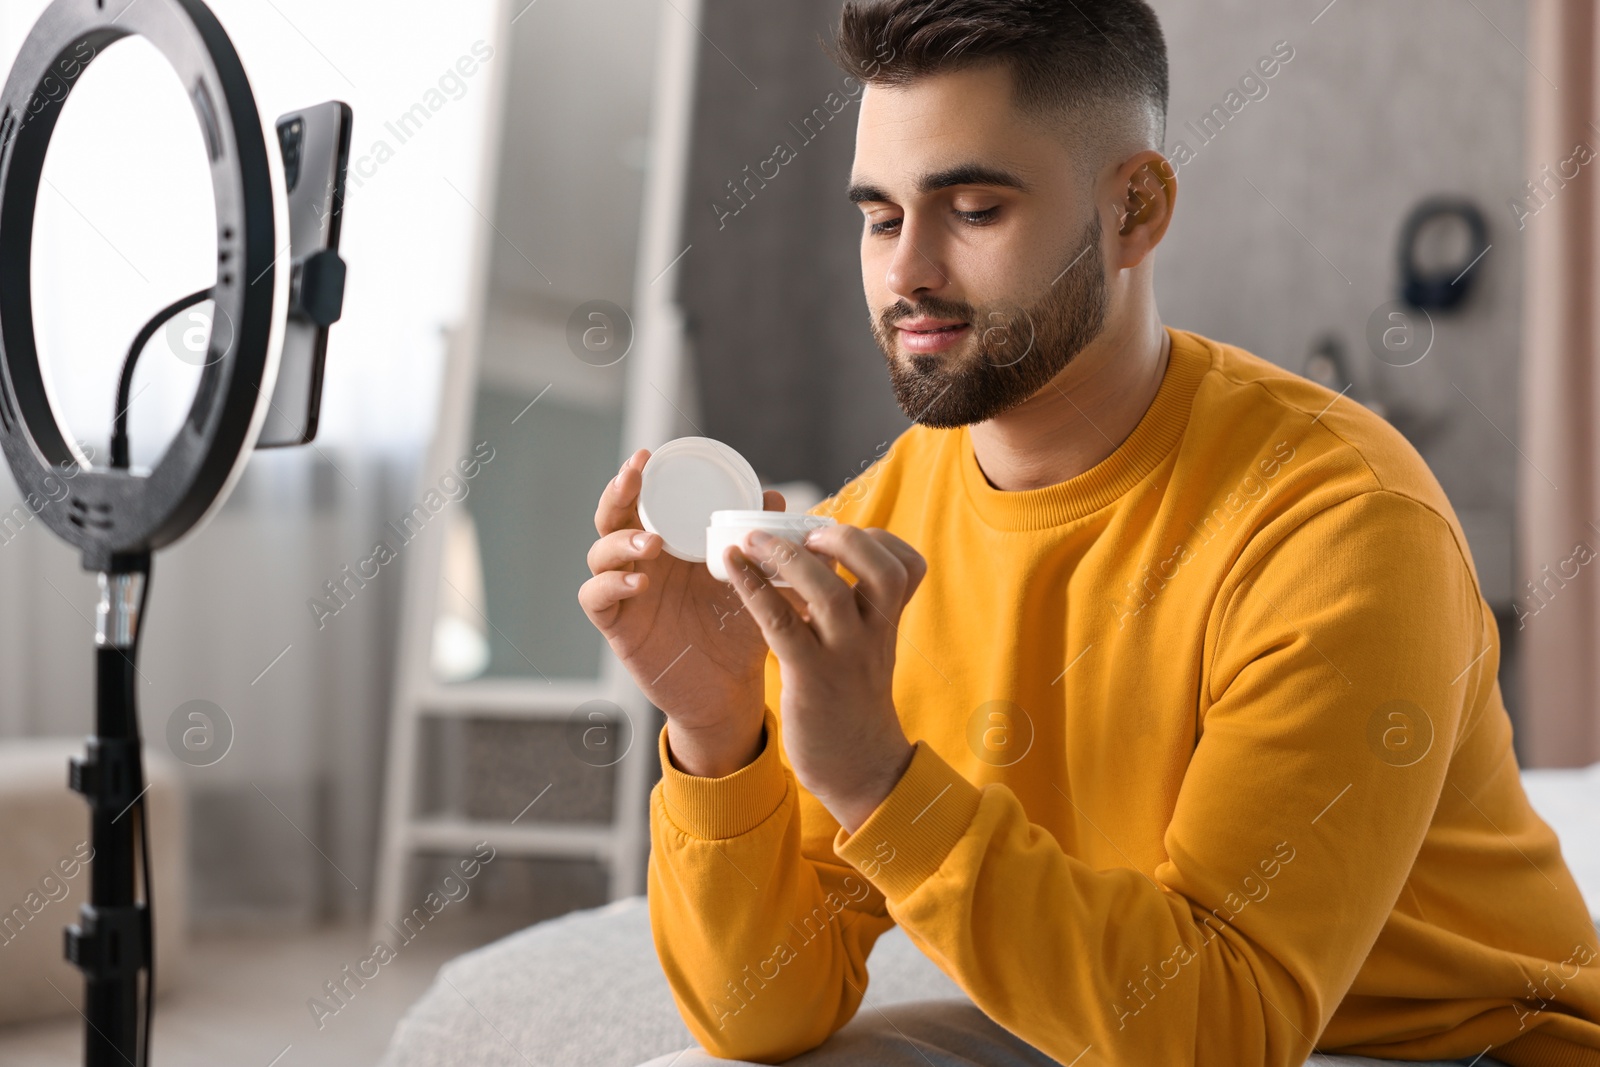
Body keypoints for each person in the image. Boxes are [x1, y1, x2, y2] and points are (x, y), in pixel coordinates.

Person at [579, 2, 1600, 1064]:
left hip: (1443, 1046)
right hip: (1127, 1011)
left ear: (1135, 208)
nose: (907, 272)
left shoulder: (1339, 522)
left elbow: (1226, 1027)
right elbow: (762, 1010)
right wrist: (716, 729)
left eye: (971, 208)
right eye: (881, 217)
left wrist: (881, 781)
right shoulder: (876, 525)